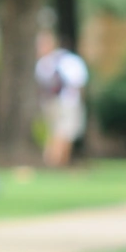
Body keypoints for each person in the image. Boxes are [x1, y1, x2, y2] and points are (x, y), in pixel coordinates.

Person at [34, 32, 89, 168]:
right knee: (63, 133)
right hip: (66, 103)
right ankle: (55, 161)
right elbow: (79, 83)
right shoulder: (66, 60)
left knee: (58, 133)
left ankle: (56, 160)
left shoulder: (43, 64)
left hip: (52, 103)